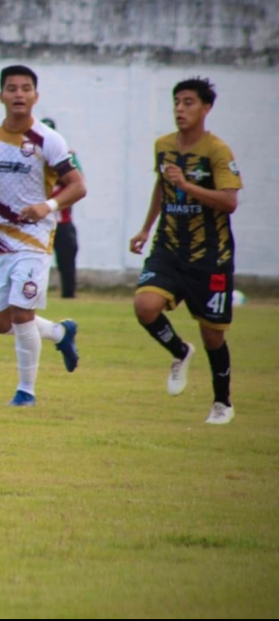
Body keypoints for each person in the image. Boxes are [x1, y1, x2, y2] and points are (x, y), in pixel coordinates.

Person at [0, 66, 86, 407]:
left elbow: (78, 186)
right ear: (1, 95)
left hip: (34, 240)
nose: (19, 94)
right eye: (12, 88)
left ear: (36, 96)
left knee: (21, 314)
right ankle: (60, 333)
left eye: (26, 88)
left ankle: (25, 392)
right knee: (0, 322)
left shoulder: (49, 140)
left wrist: (47, 206)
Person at [129, 78, 242, 425]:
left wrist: (187, 186)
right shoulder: (163, 146)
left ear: (206, 108)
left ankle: (222, 403)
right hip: (168, 247)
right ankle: (179, 351)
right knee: (144, 305)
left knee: (213, 337)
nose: (180, 108)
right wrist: (146, 228)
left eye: (188, 102)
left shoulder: (217, 151)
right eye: (177, 101)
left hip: (211, 256)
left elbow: (229, 201)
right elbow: (161, 188)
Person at [41, 117, 80, 298]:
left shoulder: (64, 157)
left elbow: (78, 183)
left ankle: (68, 294)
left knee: (66, 259)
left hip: (62, 221)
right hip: (39, 223)